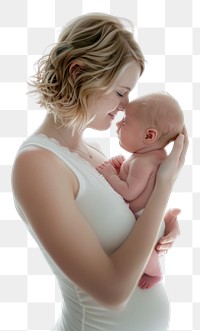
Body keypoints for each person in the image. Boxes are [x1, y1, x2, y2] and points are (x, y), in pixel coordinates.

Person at [11, 13, 188, 331]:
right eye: (121, 92)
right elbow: (113, 293)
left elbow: (126, 240)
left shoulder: (97, 153)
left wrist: (163, 228)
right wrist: (164, 186)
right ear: (77, 72)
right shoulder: (37, 164)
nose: (125, 106)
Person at [96, 92, 184, 289]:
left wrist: (111, 175)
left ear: (149, 135)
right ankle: (169, 218)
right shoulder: (147, 157)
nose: (118, 124)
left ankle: (155, 273)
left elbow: (128, 193)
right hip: (147, 217)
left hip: (144, 220)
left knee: (147, 254)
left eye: (125, 122)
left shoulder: (143, 162)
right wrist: (120, 171)